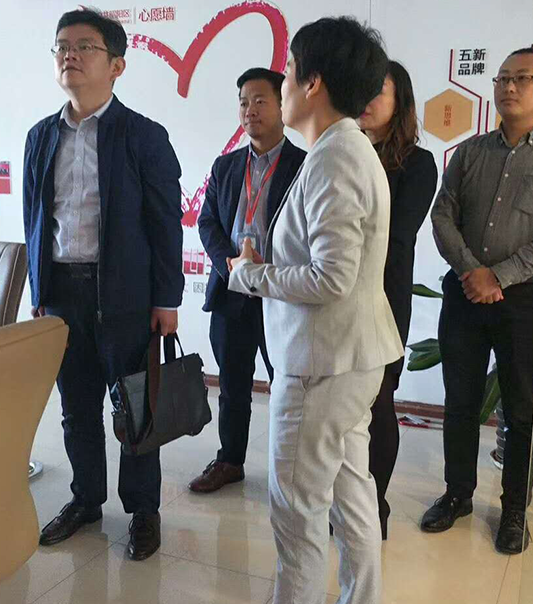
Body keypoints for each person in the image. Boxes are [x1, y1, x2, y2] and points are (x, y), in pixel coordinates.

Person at [227, 17, 401, 604]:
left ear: (313, 82)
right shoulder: (343, 148)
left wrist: (250, 275)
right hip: (347, 358)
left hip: (320, 364)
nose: (282, 83)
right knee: (352, 499)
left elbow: (331, 277)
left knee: (298, 513)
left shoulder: (335, 157)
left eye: (289, 70)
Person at [22, 8, 184, 561]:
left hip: (126, 294)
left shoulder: (143, 136)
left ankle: (143, 510)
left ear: (116, 65)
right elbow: (35, 218)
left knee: (137, 408)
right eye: (61, 46)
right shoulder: (40, 137)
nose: (69, 55)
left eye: (84, 46)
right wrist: (40, 292)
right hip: (62, 293)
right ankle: (86, 499)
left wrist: (166, 299)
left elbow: (165, 223)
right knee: (76, 406)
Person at [424, 47, 533, 554]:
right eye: (502, 78)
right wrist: (471, 272)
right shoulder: (470, 152)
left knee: (520, 409)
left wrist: (497, 276)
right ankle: (458, 494)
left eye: (523, 78)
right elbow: (442, 215)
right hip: (464, 294)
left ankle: (515, 509)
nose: (509, 87)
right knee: (460, 402)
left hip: (524, 301)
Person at [190, 68, 306, 493]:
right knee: (232, 384)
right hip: (232, 291)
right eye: (243, 102)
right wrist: (230, 264)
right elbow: (207, 222)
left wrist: (266, 267)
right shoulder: (225, 166)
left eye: (259, 101)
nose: (249, 110)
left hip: (281, 294)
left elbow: (308, 232)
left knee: (287, 386)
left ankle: (290, 469)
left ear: (281, 105)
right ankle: (229, 460)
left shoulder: (304, 166)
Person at [356, 60, 438, 540]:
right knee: (345, 406)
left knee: (379, 400)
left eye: (378, 92)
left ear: (399, 101)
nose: (366, 100)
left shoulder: (416, 163)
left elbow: (397, 235)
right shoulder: (338, 153)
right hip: (332, 297)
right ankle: (346, 499)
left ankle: (376, 506)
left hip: (383, 298)